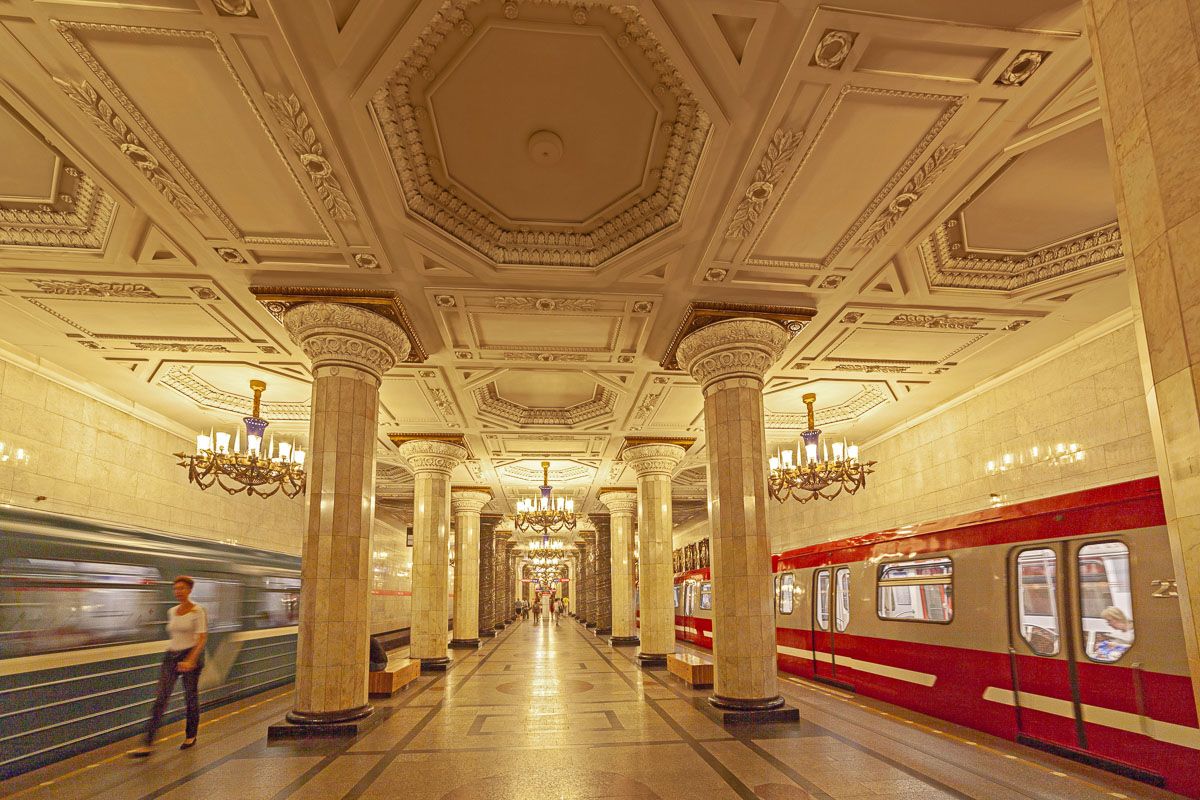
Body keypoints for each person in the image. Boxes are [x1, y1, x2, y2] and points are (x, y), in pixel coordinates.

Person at [132, 576, 207, 757]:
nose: (178, 591)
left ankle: (191, 735)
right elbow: (174, 635)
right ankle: (147, 743)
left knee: (190, 697)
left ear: (189, 590)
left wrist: (190, 660)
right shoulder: (172, 611)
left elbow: (202, 638)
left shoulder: (198, 611)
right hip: (171, 656)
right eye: (176, 589)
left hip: (191, 655)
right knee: (161, 698)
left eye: (182, 588)